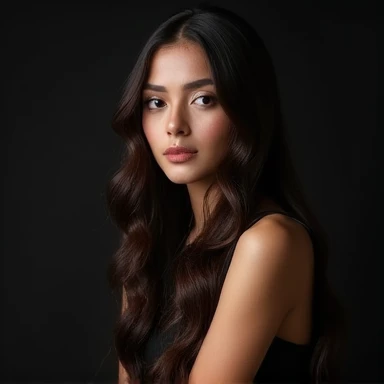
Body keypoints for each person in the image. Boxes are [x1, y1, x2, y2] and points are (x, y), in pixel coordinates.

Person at [106, 4, 347, 383]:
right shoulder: (150, 244)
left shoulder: (270, 243)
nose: (174, 125)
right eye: (156, 102)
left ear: (247, 108)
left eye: (203, 99)